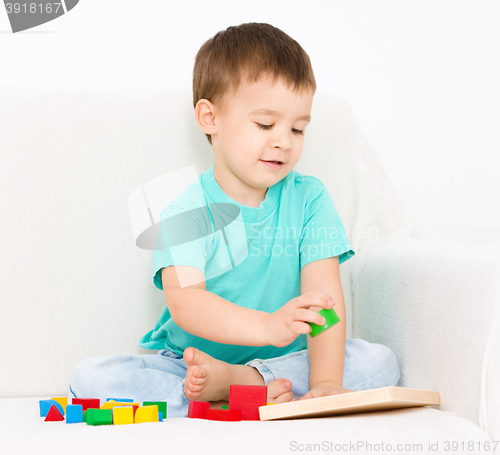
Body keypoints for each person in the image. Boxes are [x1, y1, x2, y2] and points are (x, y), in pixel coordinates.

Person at [69, 22, 400, 418]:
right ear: (210, 118)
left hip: (286, 358)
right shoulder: (185, 212)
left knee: (379, 362)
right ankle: (233, 387)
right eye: (265, 125)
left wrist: (326, 382)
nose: (284, 141)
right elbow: (187, 304)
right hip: (191, 363)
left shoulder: (310, 199)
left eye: (298, 128)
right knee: (90, 378)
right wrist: (267, 326)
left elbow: (324, 305)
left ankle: (245, 384)